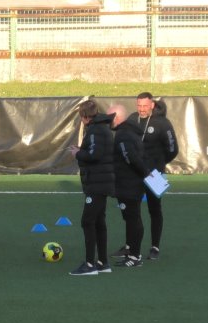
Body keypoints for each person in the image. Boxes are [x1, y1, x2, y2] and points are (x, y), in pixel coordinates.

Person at [126, 92, 179, 260]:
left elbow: (173, 149)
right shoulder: (132, 119)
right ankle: (130, 246)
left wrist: (159, 164)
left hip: (156, 174)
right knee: (131, 210)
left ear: (152, 105)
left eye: (145, 106)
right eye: (139, 106)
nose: (141, 109)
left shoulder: (163, 123)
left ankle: (155, 247)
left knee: (155, 209)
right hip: (135, 173)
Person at [68, 99, 115, 276]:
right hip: (101, 181)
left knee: (87, 221)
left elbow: (94, 155)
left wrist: (78, 153)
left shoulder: (96, 130)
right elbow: (98, 152)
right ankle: (103, 262)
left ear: (85, 116)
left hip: (97, 183)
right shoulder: (102, 128)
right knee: (99, 221)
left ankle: (90, 264)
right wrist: (81, 149)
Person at [108, 104, 147, 268]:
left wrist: (147, 174)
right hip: (132, 183)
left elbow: (130, 158)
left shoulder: (123, 135)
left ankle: (135, 256)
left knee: (133, 219)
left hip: (128, 184)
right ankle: (131, 250)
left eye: (110, 118)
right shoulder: (131, 131)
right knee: (131, 218)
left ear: (117, 118)